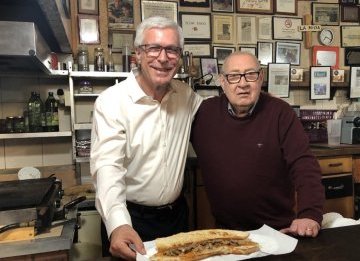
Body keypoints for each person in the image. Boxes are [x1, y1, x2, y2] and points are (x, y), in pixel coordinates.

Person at [90, 16, 203, 260]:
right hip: (130, 221)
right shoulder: (112, 102)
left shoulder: (187, 97)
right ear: (138, 54)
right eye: (153, 48)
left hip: (177, 220)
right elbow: (107, 167)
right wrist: (118, 224)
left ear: (179, 57)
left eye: (172, 50)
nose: (163, 58)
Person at [191, 52, 325, 238]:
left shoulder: (280, 113)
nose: (243, 83)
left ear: (261, 77)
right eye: (234, 76)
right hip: (225, 233)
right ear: (222, 81)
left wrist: (310, 214)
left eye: (250, 74)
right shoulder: (204, 114)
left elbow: (304, 166)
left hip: (278, 231)